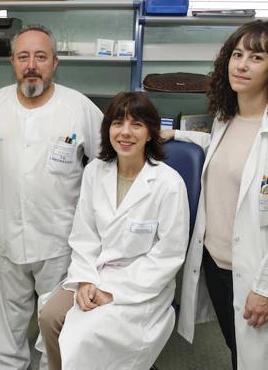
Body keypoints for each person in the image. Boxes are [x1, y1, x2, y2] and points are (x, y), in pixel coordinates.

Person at [162, 20, 268, 370]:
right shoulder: (225, 118)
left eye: (256, 57)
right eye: (237, 54)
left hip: (256, 272)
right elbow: (228, 155)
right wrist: (177, 136)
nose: (242, 64)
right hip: (216, 264)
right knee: (239, 351)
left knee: (262, 361)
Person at [0, 24, 103, 370]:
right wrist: (7, 190)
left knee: (53, 315)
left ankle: (50, 366)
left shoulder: (79, 108)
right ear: (12, 62)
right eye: (23, 56)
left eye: (40, 56)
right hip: (8, 230)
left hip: (59, 234)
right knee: (7, 313)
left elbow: (106, 163)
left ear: (55, 62)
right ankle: (8, 365)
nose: (31, 65)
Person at [38, 91, 189, 370]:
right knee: (49, 317)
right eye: (118, 123)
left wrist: (114, 291)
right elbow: (85, 236)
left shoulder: (168, 184)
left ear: (150, 133)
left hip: (141, 285)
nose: (125, 133)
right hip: (94, 271)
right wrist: (85, 281)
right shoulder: (95, 171)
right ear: (107, 129)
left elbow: (168, 255)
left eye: (137, 124)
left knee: (85, 334)